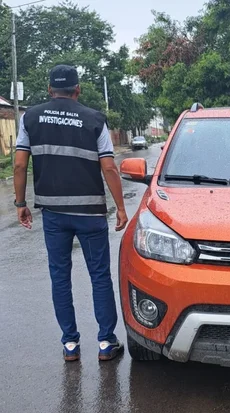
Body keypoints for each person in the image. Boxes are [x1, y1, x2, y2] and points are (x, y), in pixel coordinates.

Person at [13, 65, 129, 362]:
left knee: (59, 277)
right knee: (100, 277)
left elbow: (18, 164)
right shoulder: (94, 119)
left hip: (53, 213)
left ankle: (70, 345)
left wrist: (19, 203)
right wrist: (120, 207)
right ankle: (106, 342)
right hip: (90, 213)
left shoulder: (30, 117)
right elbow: (109, 167)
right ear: (78, 90)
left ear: (50, 90)